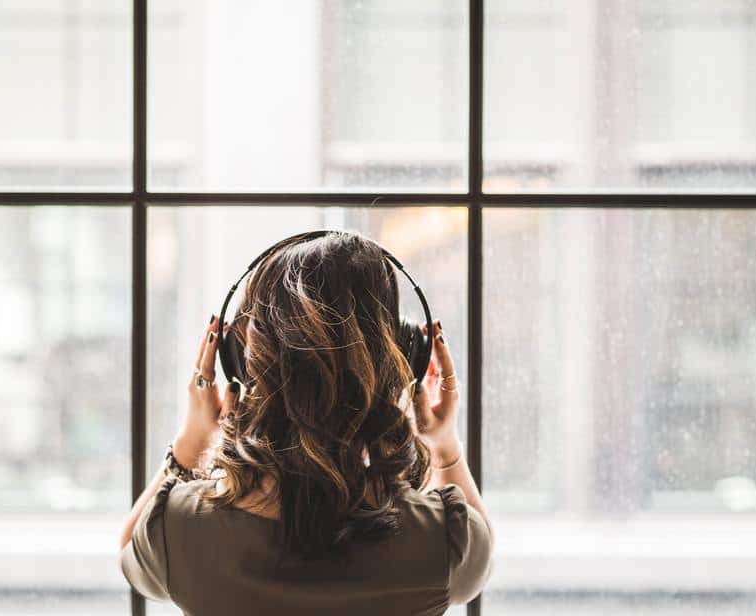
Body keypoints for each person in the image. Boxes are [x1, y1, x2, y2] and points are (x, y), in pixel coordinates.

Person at [118, 231, 494, 615]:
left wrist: (192, 440)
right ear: (405, 356)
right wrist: (445, 445)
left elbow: (131, 552)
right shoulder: (442, 539)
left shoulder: (179, 529)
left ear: (238, 363)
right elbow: (479, 563)